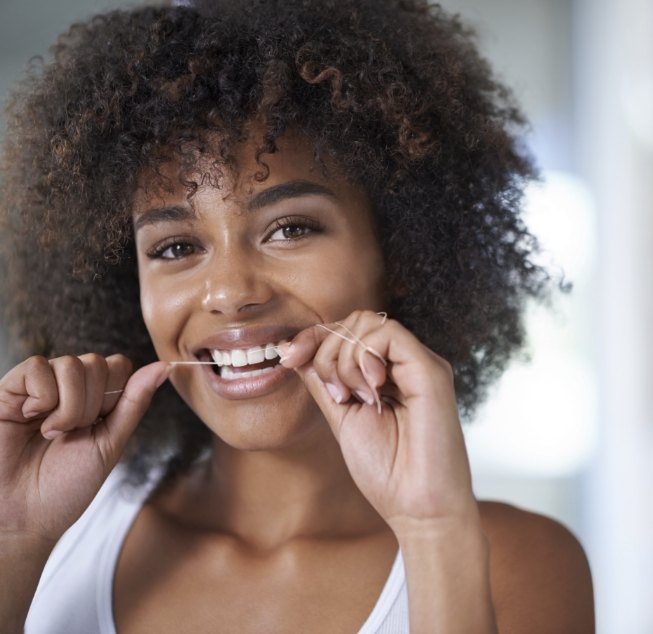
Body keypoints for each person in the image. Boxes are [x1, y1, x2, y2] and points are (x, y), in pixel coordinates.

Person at [0, 1, 594, 632]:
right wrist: (13, 538)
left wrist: (432, 529)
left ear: (402, 254)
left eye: (290, 228)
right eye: (176, 247)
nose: (229, 292)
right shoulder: (52, 529)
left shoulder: (517, 563)